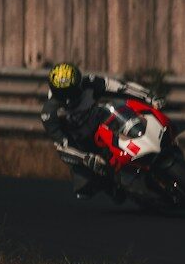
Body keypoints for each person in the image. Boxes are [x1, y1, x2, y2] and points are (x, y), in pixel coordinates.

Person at [40, 61, 164, 199]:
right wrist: (85, 158)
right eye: (64, 94)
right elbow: (61, 146)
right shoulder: (49, 113)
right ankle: (112, 186)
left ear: (79, 82)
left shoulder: (90, 83)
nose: (69, 98)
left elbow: (121, 87)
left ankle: (150, 143)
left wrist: (149, 97)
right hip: (82, 145)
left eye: (72, 91)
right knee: (85, 187)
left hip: (103, 125)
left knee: (123, 110)